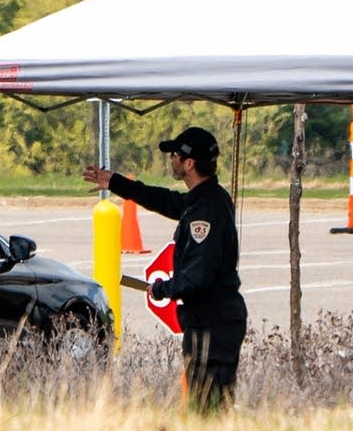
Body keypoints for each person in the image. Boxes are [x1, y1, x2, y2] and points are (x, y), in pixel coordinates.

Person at [82, 125, 247, 412]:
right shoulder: (205, 198)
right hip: (211, 319)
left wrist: (161, 288)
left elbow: (198, 276)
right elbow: (166, 201)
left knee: (208, 407)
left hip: (213, 322)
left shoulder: (205, 211)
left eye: (175, 155)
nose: (171, 159)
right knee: (206, 404)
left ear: (189, 163)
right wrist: (117, 183)